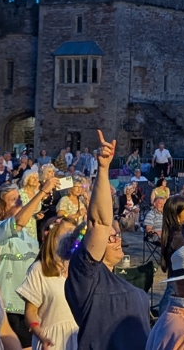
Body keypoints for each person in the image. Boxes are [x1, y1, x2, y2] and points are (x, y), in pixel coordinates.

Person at [65, 131, 151, 350]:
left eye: (118, 235)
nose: (117, 240)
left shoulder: (115, 280)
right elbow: (100, 223)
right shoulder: (86, 277)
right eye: (111, 237)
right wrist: (103, 169)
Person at [0, 180, 53, 347]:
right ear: (0, 207)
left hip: (27, 306)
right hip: (4, 306)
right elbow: (18, 222)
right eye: (13, 199)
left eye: (19, 199)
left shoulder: (28, 236)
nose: (19, 202)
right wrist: (42, 192)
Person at [18, 218, 80, 350]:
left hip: (78, 338)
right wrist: (40, 334)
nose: (73, 235)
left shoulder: (79, 269)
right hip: (52, 341)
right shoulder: (39, 269)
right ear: (53, 236)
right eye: (69, 231)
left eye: (75, 232)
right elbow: (30, 311)